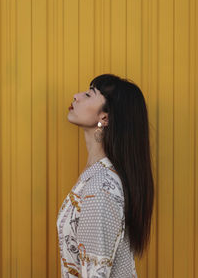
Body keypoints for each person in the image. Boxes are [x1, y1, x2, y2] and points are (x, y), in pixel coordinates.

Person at [57, 74, 154, 278]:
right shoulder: (96, 176)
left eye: (88, 94)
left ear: (105, 117)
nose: (76, 96)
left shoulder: (100, 188)